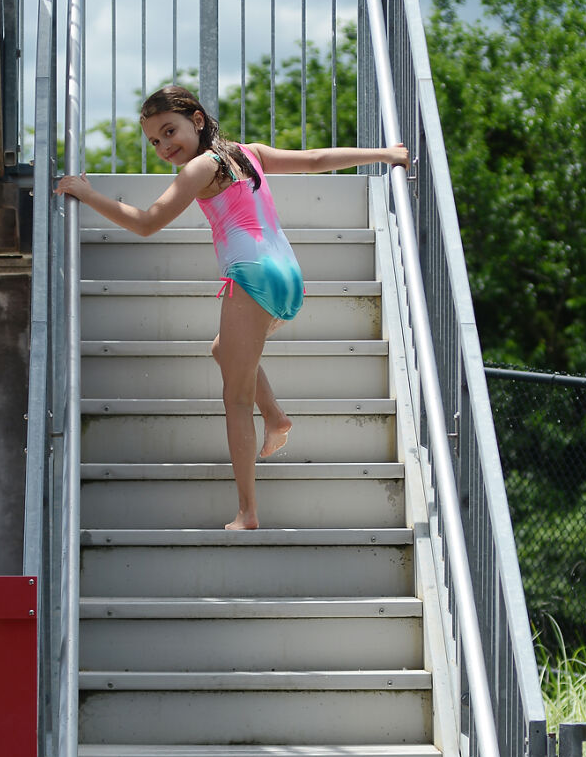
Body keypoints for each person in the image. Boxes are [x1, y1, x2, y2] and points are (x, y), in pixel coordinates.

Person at [56, 83, 408, 530]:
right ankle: (278, 419)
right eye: (155, 141)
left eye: (170, 131)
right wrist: (385, 154)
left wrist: (86, 195)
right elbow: (316, 161)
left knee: (236, 400)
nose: (165, 146)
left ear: (197, 120)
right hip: (289, 278)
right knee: (224, 350)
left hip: (252, 277)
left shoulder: (198, 170)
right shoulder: (248, 152)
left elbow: (146, 223)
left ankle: (247, 512)